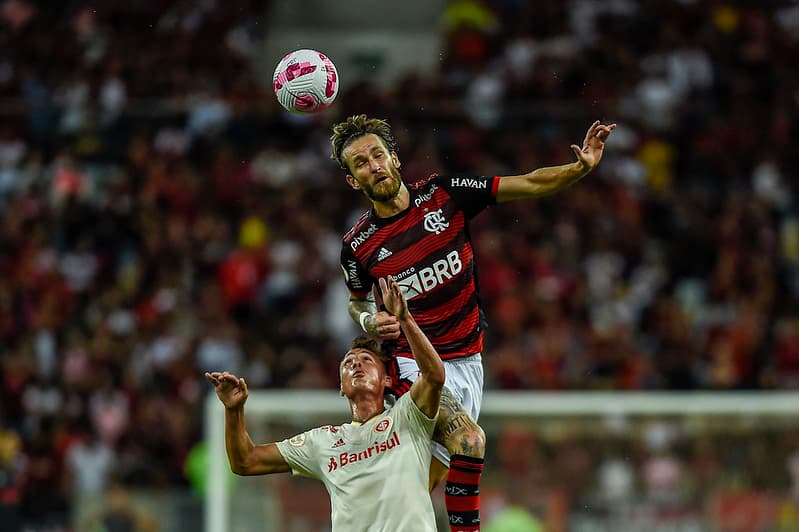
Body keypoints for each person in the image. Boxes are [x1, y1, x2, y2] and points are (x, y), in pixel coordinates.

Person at [334, 114, 616, 531]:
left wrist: (579, 168)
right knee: (468, 441)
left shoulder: (444, 195)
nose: (373, 165)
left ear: (394, 158)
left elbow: (529, 183)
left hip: (468, 361)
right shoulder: (357, 247)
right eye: (361, 163)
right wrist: (371, 322)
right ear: (354, 181)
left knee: (416, 485)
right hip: (414, 365)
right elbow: (355, 303)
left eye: (378, 155)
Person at [205, 275, 446, 532]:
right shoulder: (323, 442)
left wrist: (405, 320)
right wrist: (234, 411)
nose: (356, 364)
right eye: (348, 363)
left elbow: (434, 375)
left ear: (387, 379)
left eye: (366, 359)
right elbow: (246, 461)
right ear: (342, 388)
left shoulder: (408, 416)